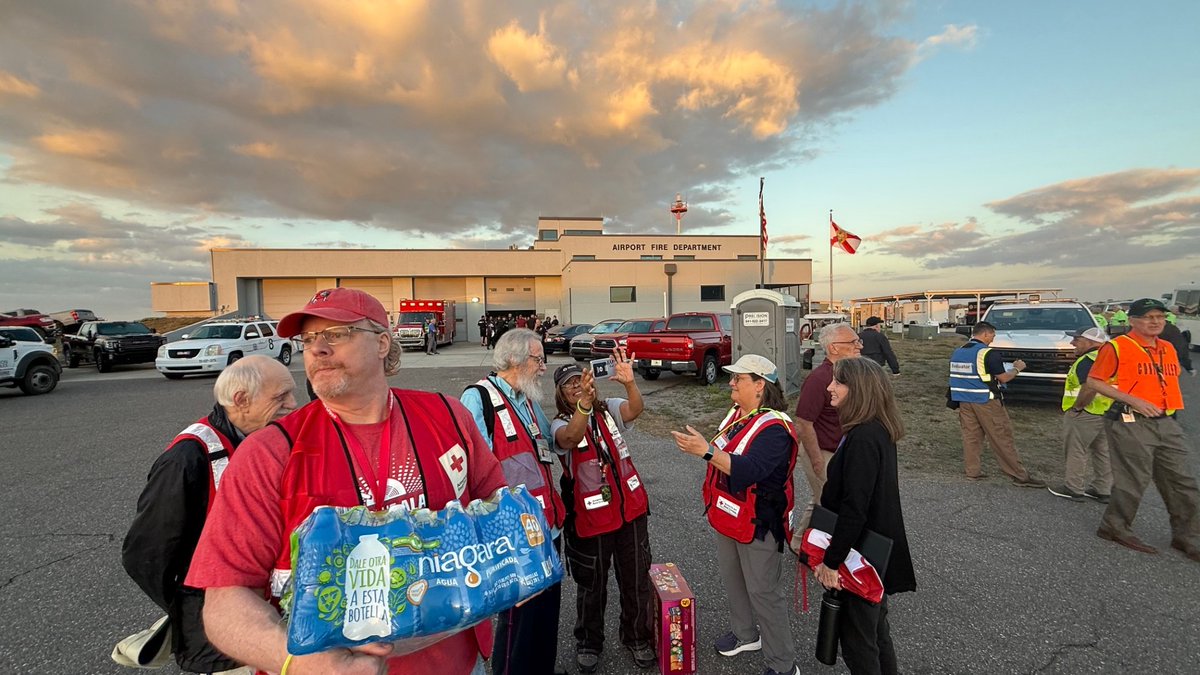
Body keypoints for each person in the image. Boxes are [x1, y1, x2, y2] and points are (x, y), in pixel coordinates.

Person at [186, 287, 508, 675]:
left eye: (336, 334)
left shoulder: (448, 416)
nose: (317, 349)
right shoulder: (269, 453)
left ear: (382, 343)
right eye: (308, 339)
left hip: (458, 663)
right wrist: (299, 663)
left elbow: (497, 506)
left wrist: (516, 566)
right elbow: (224, 599)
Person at [121, 356, 296, 674]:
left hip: (272, 618)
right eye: (280, 397)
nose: (293, 404)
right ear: (242, 400)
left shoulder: (266, 441)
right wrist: (190, 606)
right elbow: (145, 553)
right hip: (221, 641)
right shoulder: (188, 458)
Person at [672, 354, 799, 675]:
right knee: (733, 578)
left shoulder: (775, 429)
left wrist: (706, 450)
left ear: (760, 386)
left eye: (738, 378)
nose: (730, 382)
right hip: (729, 514)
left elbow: (752, 469)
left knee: (764, 592)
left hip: (759, 521)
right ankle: (745, 635)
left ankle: (783, 665)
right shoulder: (740, 414)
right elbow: (725, 450)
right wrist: (707, 449)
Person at [461, 328, 567, 675]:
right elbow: (471, 473)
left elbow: (550, 444)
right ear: (514, 359)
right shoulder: (478, 399)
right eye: (539, 359)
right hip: (512, 536)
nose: (543, 367)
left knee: (546, 616)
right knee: (517, 624)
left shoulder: (529, 401)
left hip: (547, 528)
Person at [550, 350, 654, 674]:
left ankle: (637, 637)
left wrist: (630, 383)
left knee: (636, 580)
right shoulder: (559, 423)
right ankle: (589, 642)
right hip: (591, 521)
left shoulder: (607, 410)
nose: (577, 385)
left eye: (580, 379)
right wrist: (583, 406)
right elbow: (571, 437)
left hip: (630, 511)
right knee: (592, 586)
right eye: (569, 383)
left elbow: (635, 409)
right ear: (561, 393)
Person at [813, 357, 916, 675]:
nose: (830, 387)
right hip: (875, 553)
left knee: (859, 642)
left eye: (838, 382)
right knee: (875, 632)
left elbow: (854, 509)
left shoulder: (863, 438)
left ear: (858, 389)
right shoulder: (876, 429)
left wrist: (831, 561)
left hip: (861, 556)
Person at [1086, 298, 1200, 561]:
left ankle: (1187, 535)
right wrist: (1133, 399)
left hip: (1166, 420)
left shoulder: (1167, 348)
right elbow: (1094, 381)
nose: (1155, 321)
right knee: (1132, 479)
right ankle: (1114, 527)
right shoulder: (1116, 347)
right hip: (1131, 420)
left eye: (1159, 316)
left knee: (1183, 480)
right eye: (1148, 317)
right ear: (1132, 321)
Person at [948, 321, 1045, 487]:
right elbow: (1003, 378)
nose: (993, 338)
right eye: (993, 334)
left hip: (964, 401)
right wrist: (1017, 368)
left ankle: (973, 471)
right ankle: (1019, 475)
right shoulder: (988, 353)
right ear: (985, 334)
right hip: (987, 402)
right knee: (1001, 437)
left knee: (971, 437)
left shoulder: (958, 352)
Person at [794, 323, 862, 534]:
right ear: (834, 348)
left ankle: (799, 541)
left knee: (822, 499)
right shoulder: (819, 379)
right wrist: (816, 461)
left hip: (840, 451)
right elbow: (804, 423)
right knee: (829, 502)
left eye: (858, 340)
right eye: (853, 342)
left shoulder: (851, 373)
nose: (859, 345)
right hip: (822, 451)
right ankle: (812, 545)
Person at [1047, 327, 1113, 502]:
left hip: (1086, 413)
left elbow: (1090, 386)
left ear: (1090, 342)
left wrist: (1078, 407)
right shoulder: (1109, 357)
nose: (1072, 343)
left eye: (1076, 340)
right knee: (1102, 451)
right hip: (1107, 412)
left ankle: (1073, 487)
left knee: (1076, 450)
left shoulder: (1088, 360)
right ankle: (1103, 489)